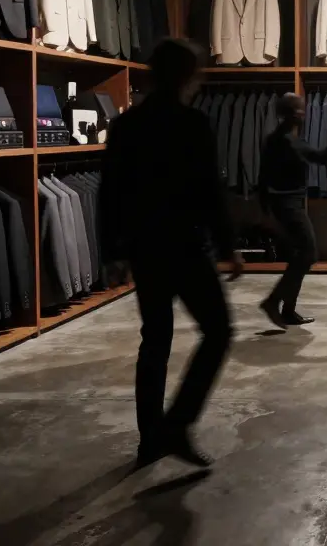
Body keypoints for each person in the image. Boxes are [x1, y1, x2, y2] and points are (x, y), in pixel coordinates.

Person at [100, 38, 242, 469]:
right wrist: (228, 246)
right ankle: (177, 424)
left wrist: (113, 251)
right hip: (184, 244)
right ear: (186, 77)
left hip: (145, 247)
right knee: (218, 330)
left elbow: (110, 193)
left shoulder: (126, 125)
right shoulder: (193, 123)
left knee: (155, 339)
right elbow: (208, 192)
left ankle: (151, 440)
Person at [257, 93, 327, 327]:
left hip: (280, 205)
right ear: (295, 114)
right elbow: (322, 157)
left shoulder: (274, 139)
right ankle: (274, 302)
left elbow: (261, 177)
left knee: (299, 255)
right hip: (289, 205)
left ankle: (287, 310)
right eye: (301, 110)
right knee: (308, 254)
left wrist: (265, 210)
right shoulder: (289, 141)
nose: (304, 114)